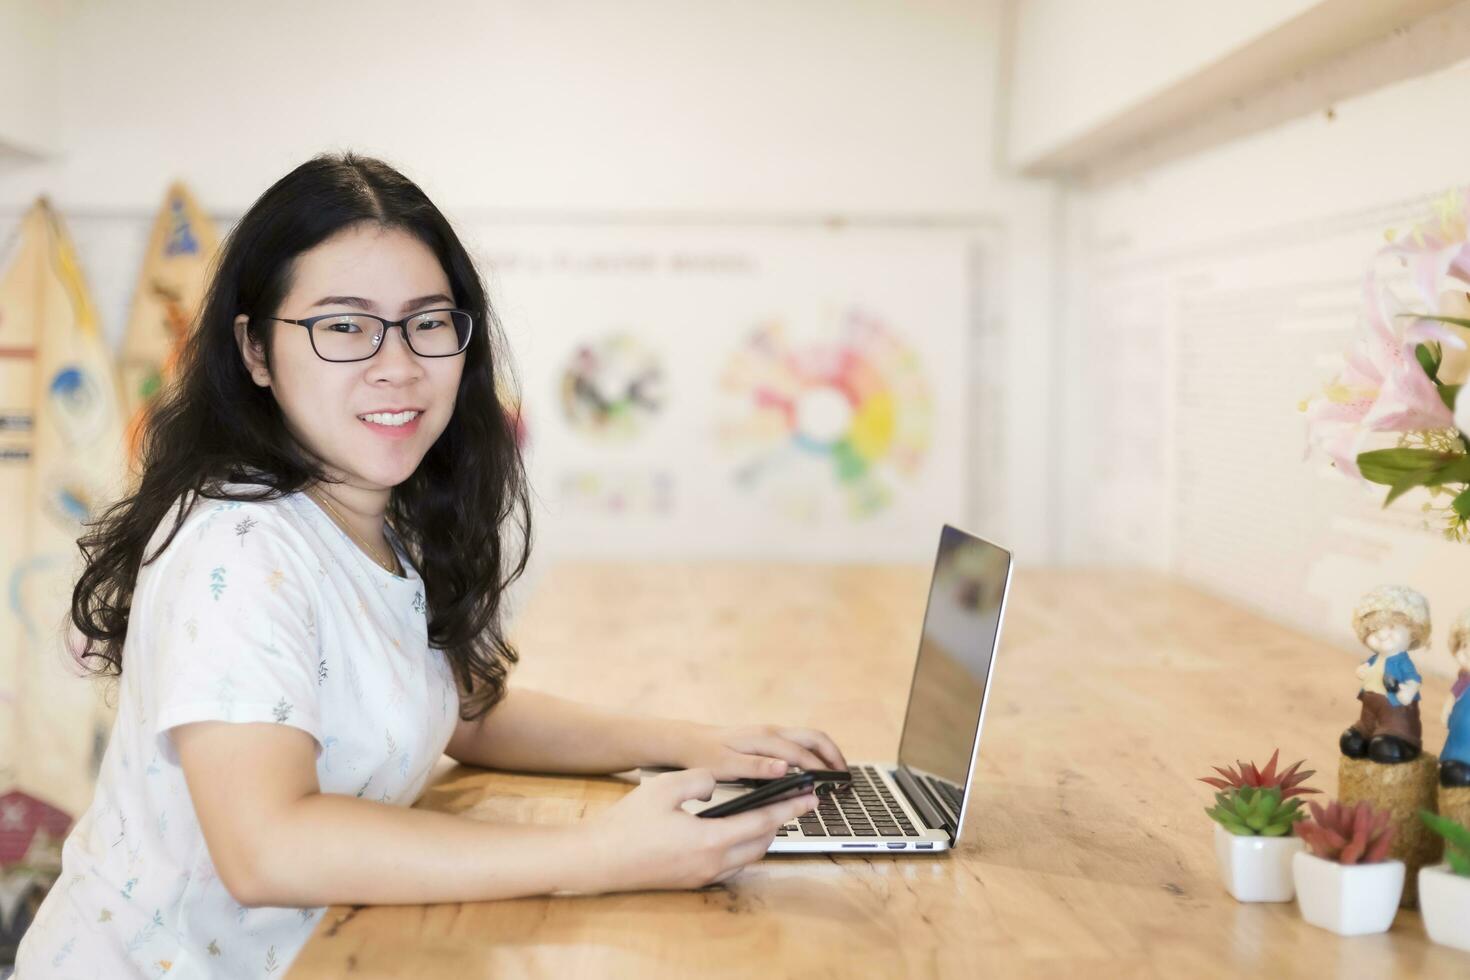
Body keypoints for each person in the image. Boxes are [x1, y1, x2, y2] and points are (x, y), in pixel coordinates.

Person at [16, 152, 841, 979]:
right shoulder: (239, 547)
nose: (399, 363)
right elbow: (268, 847)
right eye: (344, 326)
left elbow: (467, 710)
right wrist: (601, 853)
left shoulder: (383, 512)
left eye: (428, 321)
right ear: (256, 351)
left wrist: (700, 747)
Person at [1339, 585, 1428, 764]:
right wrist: (1361, 671)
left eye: (1392, 627)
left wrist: (1407, 690)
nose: (1381, 635)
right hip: (1369, 711)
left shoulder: (1403, 663)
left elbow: (1414, 679)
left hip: (1396, 715)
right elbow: (1365, 669)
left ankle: (1400, 740)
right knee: (1351, 741)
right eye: (1374, 630)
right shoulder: (1374, 659)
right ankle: (1366, 733)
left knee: (1385, 747)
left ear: (1412, 633)